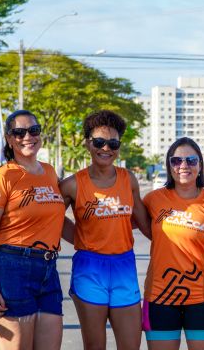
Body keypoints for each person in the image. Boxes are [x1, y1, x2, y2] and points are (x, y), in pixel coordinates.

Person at [60, 110, 152, 350]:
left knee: (131, 345)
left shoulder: (128, 179)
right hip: (90, 269)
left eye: (113, 143)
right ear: (88, 144)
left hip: (124, 267)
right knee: (95, 346)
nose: (106, 148)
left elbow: (146, 224)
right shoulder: (71, 184)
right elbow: (51, 219)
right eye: (99, 142)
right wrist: (81, 239)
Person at [0, 110, 66, 350]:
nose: (28, 136)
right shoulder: (2, 177)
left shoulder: (49, 172)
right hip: (13, 268)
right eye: (19, 132)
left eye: (33, 130)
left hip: (49, 269)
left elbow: (55, 218)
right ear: (9, 138)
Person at [142, 137, 204, 350]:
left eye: (191, 160)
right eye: (177, 161)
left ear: (200, 165)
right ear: (169, 165)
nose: (184, 166)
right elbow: (119, 225)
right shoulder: (153, 200)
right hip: (159, 298)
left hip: (203, 299)